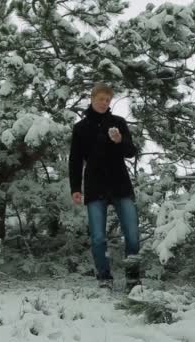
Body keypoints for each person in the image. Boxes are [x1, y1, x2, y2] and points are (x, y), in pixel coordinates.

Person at [68, 83, 141, 291]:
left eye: (108, 100)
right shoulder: (80, 128)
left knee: (133, 235)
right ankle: (104, 278)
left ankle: (133, 279)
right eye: (101, 99)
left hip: (120, 185)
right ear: (92, 98)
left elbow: (131, 151)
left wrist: (120, 140)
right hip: (95, 186)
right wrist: (75, 188)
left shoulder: (118, 123)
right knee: (98, 238)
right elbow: (75, 160)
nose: (104, 103)